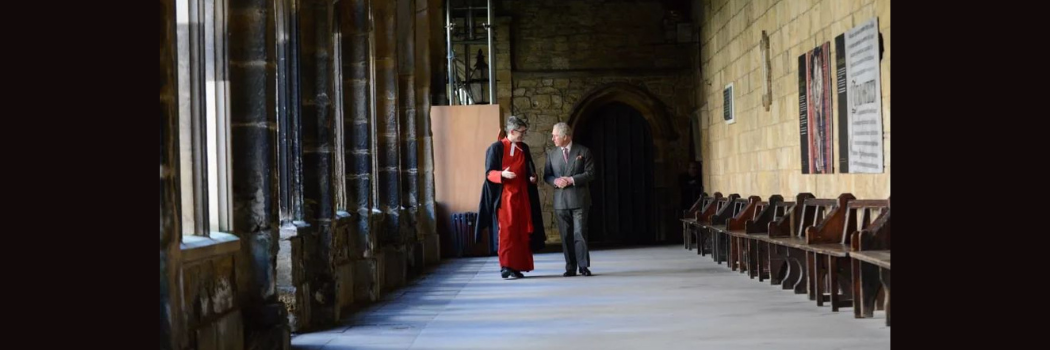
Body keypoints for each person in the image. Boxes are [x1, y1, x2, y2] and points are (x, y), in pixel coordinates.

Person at [475, 116, 546, 279]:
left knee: (522, 233)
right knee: (507, 232)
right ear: (512, 132)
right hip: (505, 198)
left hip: (523, 197)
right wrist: (502, 174)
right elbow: (489, 174)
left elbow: (529, 169)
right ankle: (506, 266)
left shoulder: (524, 148)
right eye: (521, 132)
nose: (523, 135)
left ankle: (517, 266)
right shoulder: (496, 148)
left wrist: (532, 177)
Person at [543, 122, 595, 277]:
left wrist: (571, 180)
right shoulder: (552, 154)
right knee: (565, 236)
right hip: (561, 201)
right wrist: (555, 181)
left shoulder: (583, 151)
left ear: (565, 136)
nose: (552, 138)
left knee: (580, 233)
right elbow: (547, 175)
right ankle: (570, 267)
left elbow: (590, 173)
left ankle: (583, 266)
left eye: (555, 136)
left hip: (579, 199)